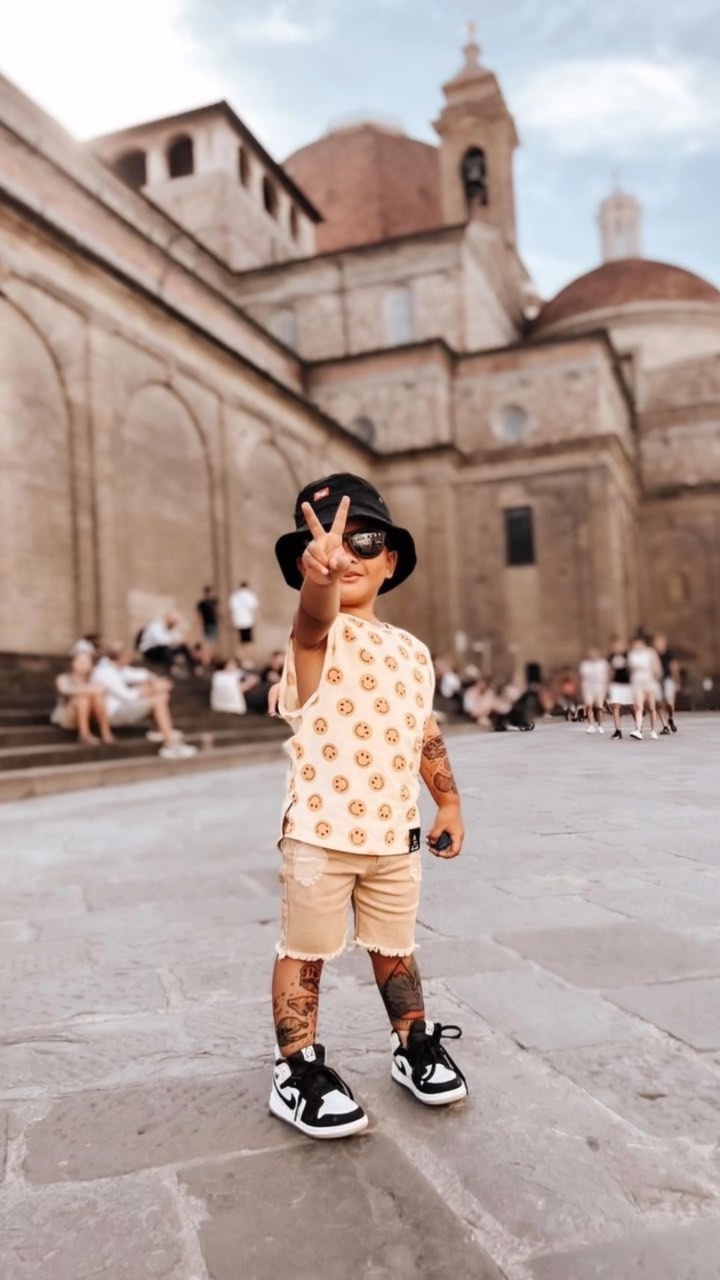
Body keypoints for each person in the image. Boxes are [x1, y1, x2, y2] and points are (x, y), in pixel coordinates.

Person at [270, 472, 468, 1139]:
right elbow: (312, 620)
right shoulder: (314, 638)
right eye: (328, 543)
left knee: (396, 947)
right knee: (305, 950)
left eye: (365, 541)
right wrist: (318, 581)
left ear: (391, 560)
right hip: (320, 834)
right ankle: (296, 1068)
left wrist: (448, 803)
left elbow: (424, 731)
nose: (346, 554)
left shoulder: (413, 652)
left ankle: (413, 1043)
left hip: (394, 834)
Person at [92, 644, 197, 759]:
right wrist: (149, 689)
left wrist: (155, 681)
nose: (129, 661)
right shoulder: (105, 673)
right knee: (157, 700)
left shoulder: (115, 667)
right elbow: (128, 696)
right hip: (114, 713)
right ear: (120, 658)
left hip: (123, 707)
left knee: (161, 694)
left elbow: (138, 674)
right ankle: (170, 744)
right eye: (127, 658)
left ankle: (159, 729)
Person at [50, 651, 114, 745]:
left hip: (91, 716)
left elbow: (102, 689)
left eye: (87, 662)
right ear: (73, 663)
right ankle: (84, 734)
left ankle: (106, 733)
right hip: (69, 716)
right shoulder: (63, 678)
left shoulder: (94, 678)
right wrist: (87, 690)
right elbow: (65, 690)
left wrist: (89, 690)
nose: (83, 665)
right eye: (81, 662)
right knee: (83, 698)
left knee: (97, 697)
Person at [138, 610, 201, 676]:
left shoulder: (171, 628)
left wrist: (183, 642)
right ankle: (171, 669)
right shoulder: (155, 626)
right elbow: (160, 641)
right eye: (173, 622)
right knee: (166, 649)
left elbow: (177, 638)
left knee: (183, 647)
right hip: (150, 650)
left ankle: (194, 667)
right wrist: (176, 641)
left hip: (164, 649)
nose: (174, 625)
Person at [628, 635, 662, 740]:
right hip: (637, 682)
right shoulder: (632, 654)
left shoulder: (651, 653)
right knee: (639, 706)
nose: (636, 646)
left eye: (638, 644)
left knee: (651, 707)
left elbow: (657, 667)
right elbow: (630, 669)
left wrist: (654, 674)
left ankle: (653, 730)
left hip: (649, 681)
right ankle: (638, 730)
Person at [606, 636, 634, 740]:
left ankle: (638, 726)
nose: (616, 647)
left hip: (627, 684)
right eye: (614, 646)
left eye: (618, 645)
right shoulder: (610, 657)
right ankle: (618, 731)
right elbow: (609, 672)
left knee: (632, 706)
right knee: (615, 706)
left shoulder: (627, 656)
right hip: (616, 685)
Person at [579, 647, 610, 734]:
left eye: (594, 654)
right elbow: (582, 677)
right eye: (591, 654)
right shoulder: (584, 664)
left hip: (599, 687)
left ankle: (600, 726)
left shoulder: (602, 663)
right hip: (588, 687)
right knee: (589, 706)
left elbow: (607, 675)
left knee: (599, 707)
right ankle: (591, 726)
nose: (592, 656)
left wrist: (607, 688)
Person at [654, 633, 680, 734]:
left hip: (668, 680)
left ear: (664, 643)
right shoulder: (653, 654)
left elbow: (674, 667)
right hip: (657, 681)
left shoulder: (670, 654)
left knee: (669, 703)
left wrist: (676, 681)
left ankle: (670, 718)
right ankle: (665, 726)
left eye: (660, 642)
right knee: (659, 703)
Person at [228, 580, 259, 649]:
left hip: (238, 621)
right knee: (248, 641)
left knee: (240, 640)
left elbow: (232, 610)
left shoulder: (235, 595)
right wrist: (255, 620)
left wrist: (231, 621)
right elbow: (254, 608)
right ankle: (247, 653)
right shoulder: (250, 595)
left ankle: (242, 653)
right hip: (248, 621)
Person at [196, 587, 219, 659]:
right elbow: (199, 615)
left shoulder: (213, 602)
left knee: (213, 642)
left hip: (213, 624)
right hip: (207, 624)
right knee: (208, 642)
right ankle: (207, 658)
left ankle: (212, 657)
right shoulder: (202, 604)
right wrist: (200, 624)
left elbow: (216, 612)